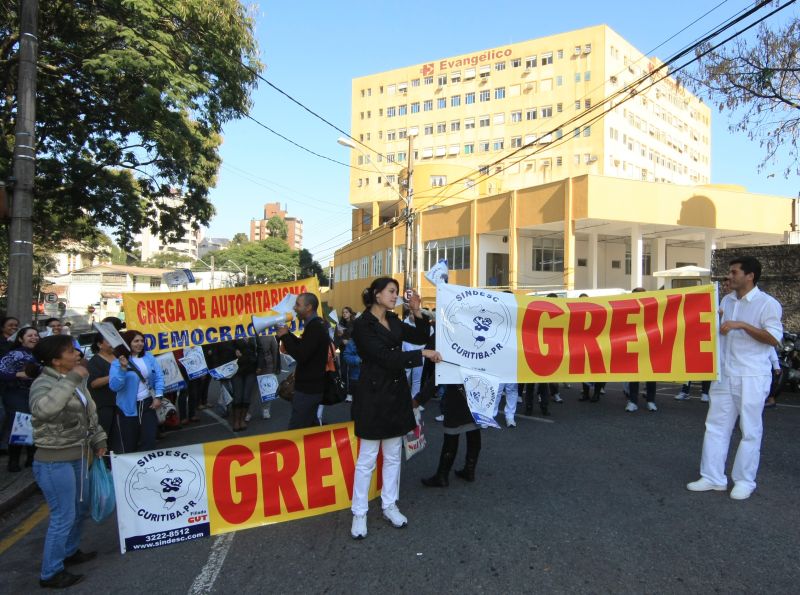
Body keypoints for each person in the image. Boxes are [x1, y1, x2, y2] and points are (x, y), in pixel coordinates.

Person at [349, 278, 441, 539]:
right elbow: (384, 357)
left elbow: (422, 336)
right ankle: (359, 512)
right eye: (391, 292)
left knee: (392, 456)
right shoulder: (362, 324)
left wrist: (416, 311)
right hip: (372, 396)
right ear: (376, 295)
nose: (395, 296)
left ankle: (390, 505)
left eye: (397, 293)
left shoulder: (395, 321)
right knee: (367, 458)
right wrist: (420, 356)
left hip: (396, 395)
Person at [687, 256, 782, 500]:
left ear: (749, 276)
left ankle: (744, 480)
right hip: (724, 374)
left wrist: (742, 325)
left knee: (749, 430)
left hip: (751, 375)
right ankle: (712, 477)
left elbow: (774, 338)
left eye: (734, 272)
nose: (729, 276)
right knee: (716, 427)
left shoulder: (767, 304)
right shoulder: (726, 300)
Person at [29, 334, 107, 589]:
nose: (77, 354)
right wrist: (73, 379)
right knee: (63, 515)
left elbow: (89, 413)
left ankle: (70, 552)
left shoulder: (76, 379)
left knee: (79, 509)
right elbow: (43, 410)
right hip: (53, 462)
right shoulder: (43, 383)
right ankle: (50, 573)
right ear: (55, 360)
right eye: (70, 352)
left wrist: (98, 439)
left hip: (78, 455)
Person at [276, 293, 330, 430]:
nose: (294, 308)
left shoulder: (315, 328)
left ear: (309, 307)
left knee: (296, 430)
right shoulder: (315, 325)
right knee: (309, 427)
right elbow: (305, 347)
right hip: (311, 388)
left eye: (298, 305)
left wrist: (285, 337)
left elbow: (302, 355)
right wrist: (288, 335)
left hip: (308, 390)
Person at [108, 330, 164, 453]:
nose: (140, 344)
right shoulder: (117, 363)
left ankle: (146, 469)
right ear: (128, 343)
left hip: (148, 404)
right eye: (136, 341)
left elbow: (159, 377)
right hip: (127, 408)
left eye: (142, 341)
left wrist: (158, 396)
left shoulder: (148, 356)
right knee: (130, 444)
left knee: (149, 440)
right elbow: (114, 387)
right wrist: (123, 369)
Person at [0, 326, 40, 471]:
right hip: (16, 393)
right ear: (20, 338)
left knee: (36, 424)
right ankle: (14, 460)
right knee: (20, 424)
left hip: (35, 394)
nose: (34, 338)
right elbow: (1, 371)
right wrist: (17, 375)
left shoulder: (40, 355)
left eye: (36, 335)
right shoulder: (14, 354)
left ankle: (31, 458)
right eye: (30, 335)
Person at [86, 334, 118, 448]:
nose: (112, 344)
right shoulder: (95, 362)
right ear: (100, 344)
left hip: (120, 403)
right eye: (108, 341)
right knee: (106, 435)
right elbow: (94, 383)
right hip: (105, 405)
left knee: (118, 437)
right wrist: (114, 376)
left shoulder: (118, 357)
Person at [255, 333, 280, 420]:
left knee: (267, 388)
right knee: (252, 389)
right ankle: (248, 411)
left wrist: (275, 367)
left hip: (267, 364)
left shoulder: (269, 334)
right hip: (251, 363)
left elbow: (275, 350)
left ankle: (266, 409)